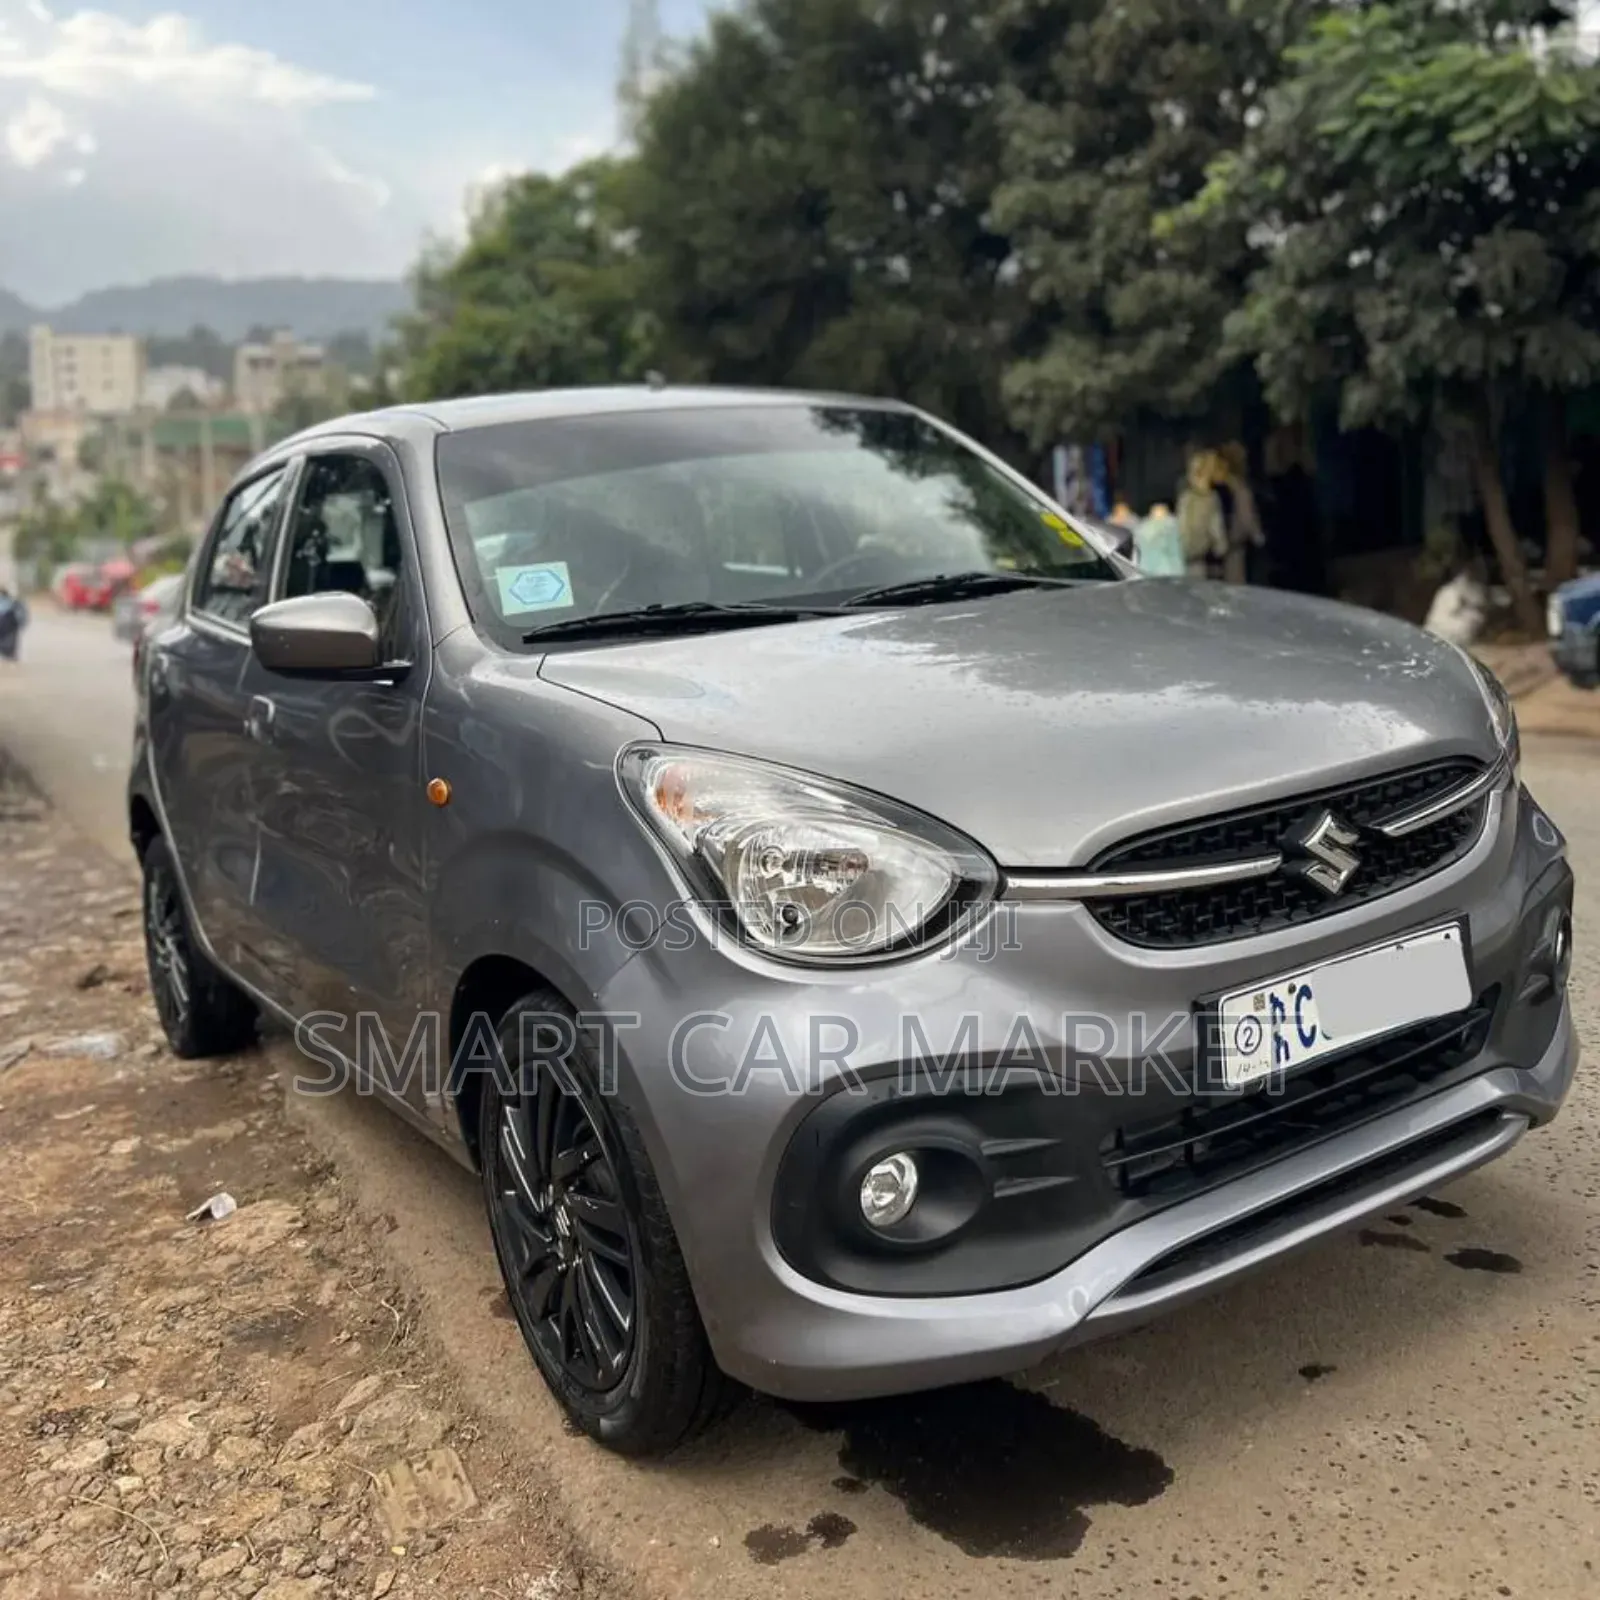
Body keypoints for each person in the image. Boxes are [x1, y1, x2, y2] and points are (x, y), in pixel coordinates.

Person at [1177, 451, 1228, 578]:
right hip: (1191, 557)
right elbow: (1216, 527)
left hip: (1192, 556)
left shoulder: (1191, 498)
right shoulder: (1196, 498)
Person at [1133, 502, 1184, 576]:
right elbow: (1176, 554)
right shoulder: (1171, 528)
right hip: (1167, 573)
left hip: (1147, 573)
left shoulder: (1142, 530)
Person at [0, 587, 28, 663]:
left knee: (7, 641)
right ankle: (10, 655)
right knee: (10, 641)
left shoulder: (14, 602)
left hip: (8, 623)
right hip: (10, 624)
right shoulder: (15, 602)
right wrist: (23, 624)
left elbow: (21, 614)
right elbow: (22, 614)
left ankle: (8, 655)